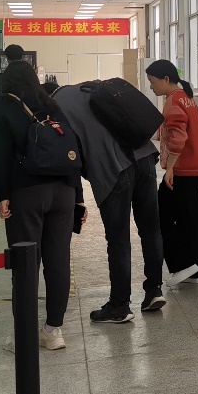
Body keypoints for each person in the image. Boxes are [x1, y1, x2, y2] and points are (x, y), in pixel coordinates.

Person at [0, 60, 84, 351]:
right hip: (63, 192)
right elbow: (71, 148)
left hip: (27, 192)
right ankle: (53, 331)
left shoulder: (3, 105)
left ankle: (24, 335)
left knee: (26, 264)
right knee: (58, 261)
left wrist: (1, 194)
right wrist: (78, 195)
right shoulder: (51, 103)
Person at [53, 82, 166, 323]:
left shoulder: (56, 106)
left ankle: (119, 305)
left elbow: (69, 153)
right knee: (151, 229)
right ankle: (154, 289)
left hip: (113, 168)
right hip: (144, 157)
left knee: (118, 238)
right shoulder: (87, 89)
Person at [146, 60, 198, 286]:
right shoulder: (187, 97)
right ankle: (196, 272)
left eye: (153, 82)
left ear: (166, 79)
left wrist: (170, 168)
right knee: (190, 219)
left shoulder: (172, 101)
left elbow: (178, 139)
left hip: (183, 170)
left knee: (160, 215)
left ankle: (183, 265)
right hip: (196, 167)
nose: (151, 87)